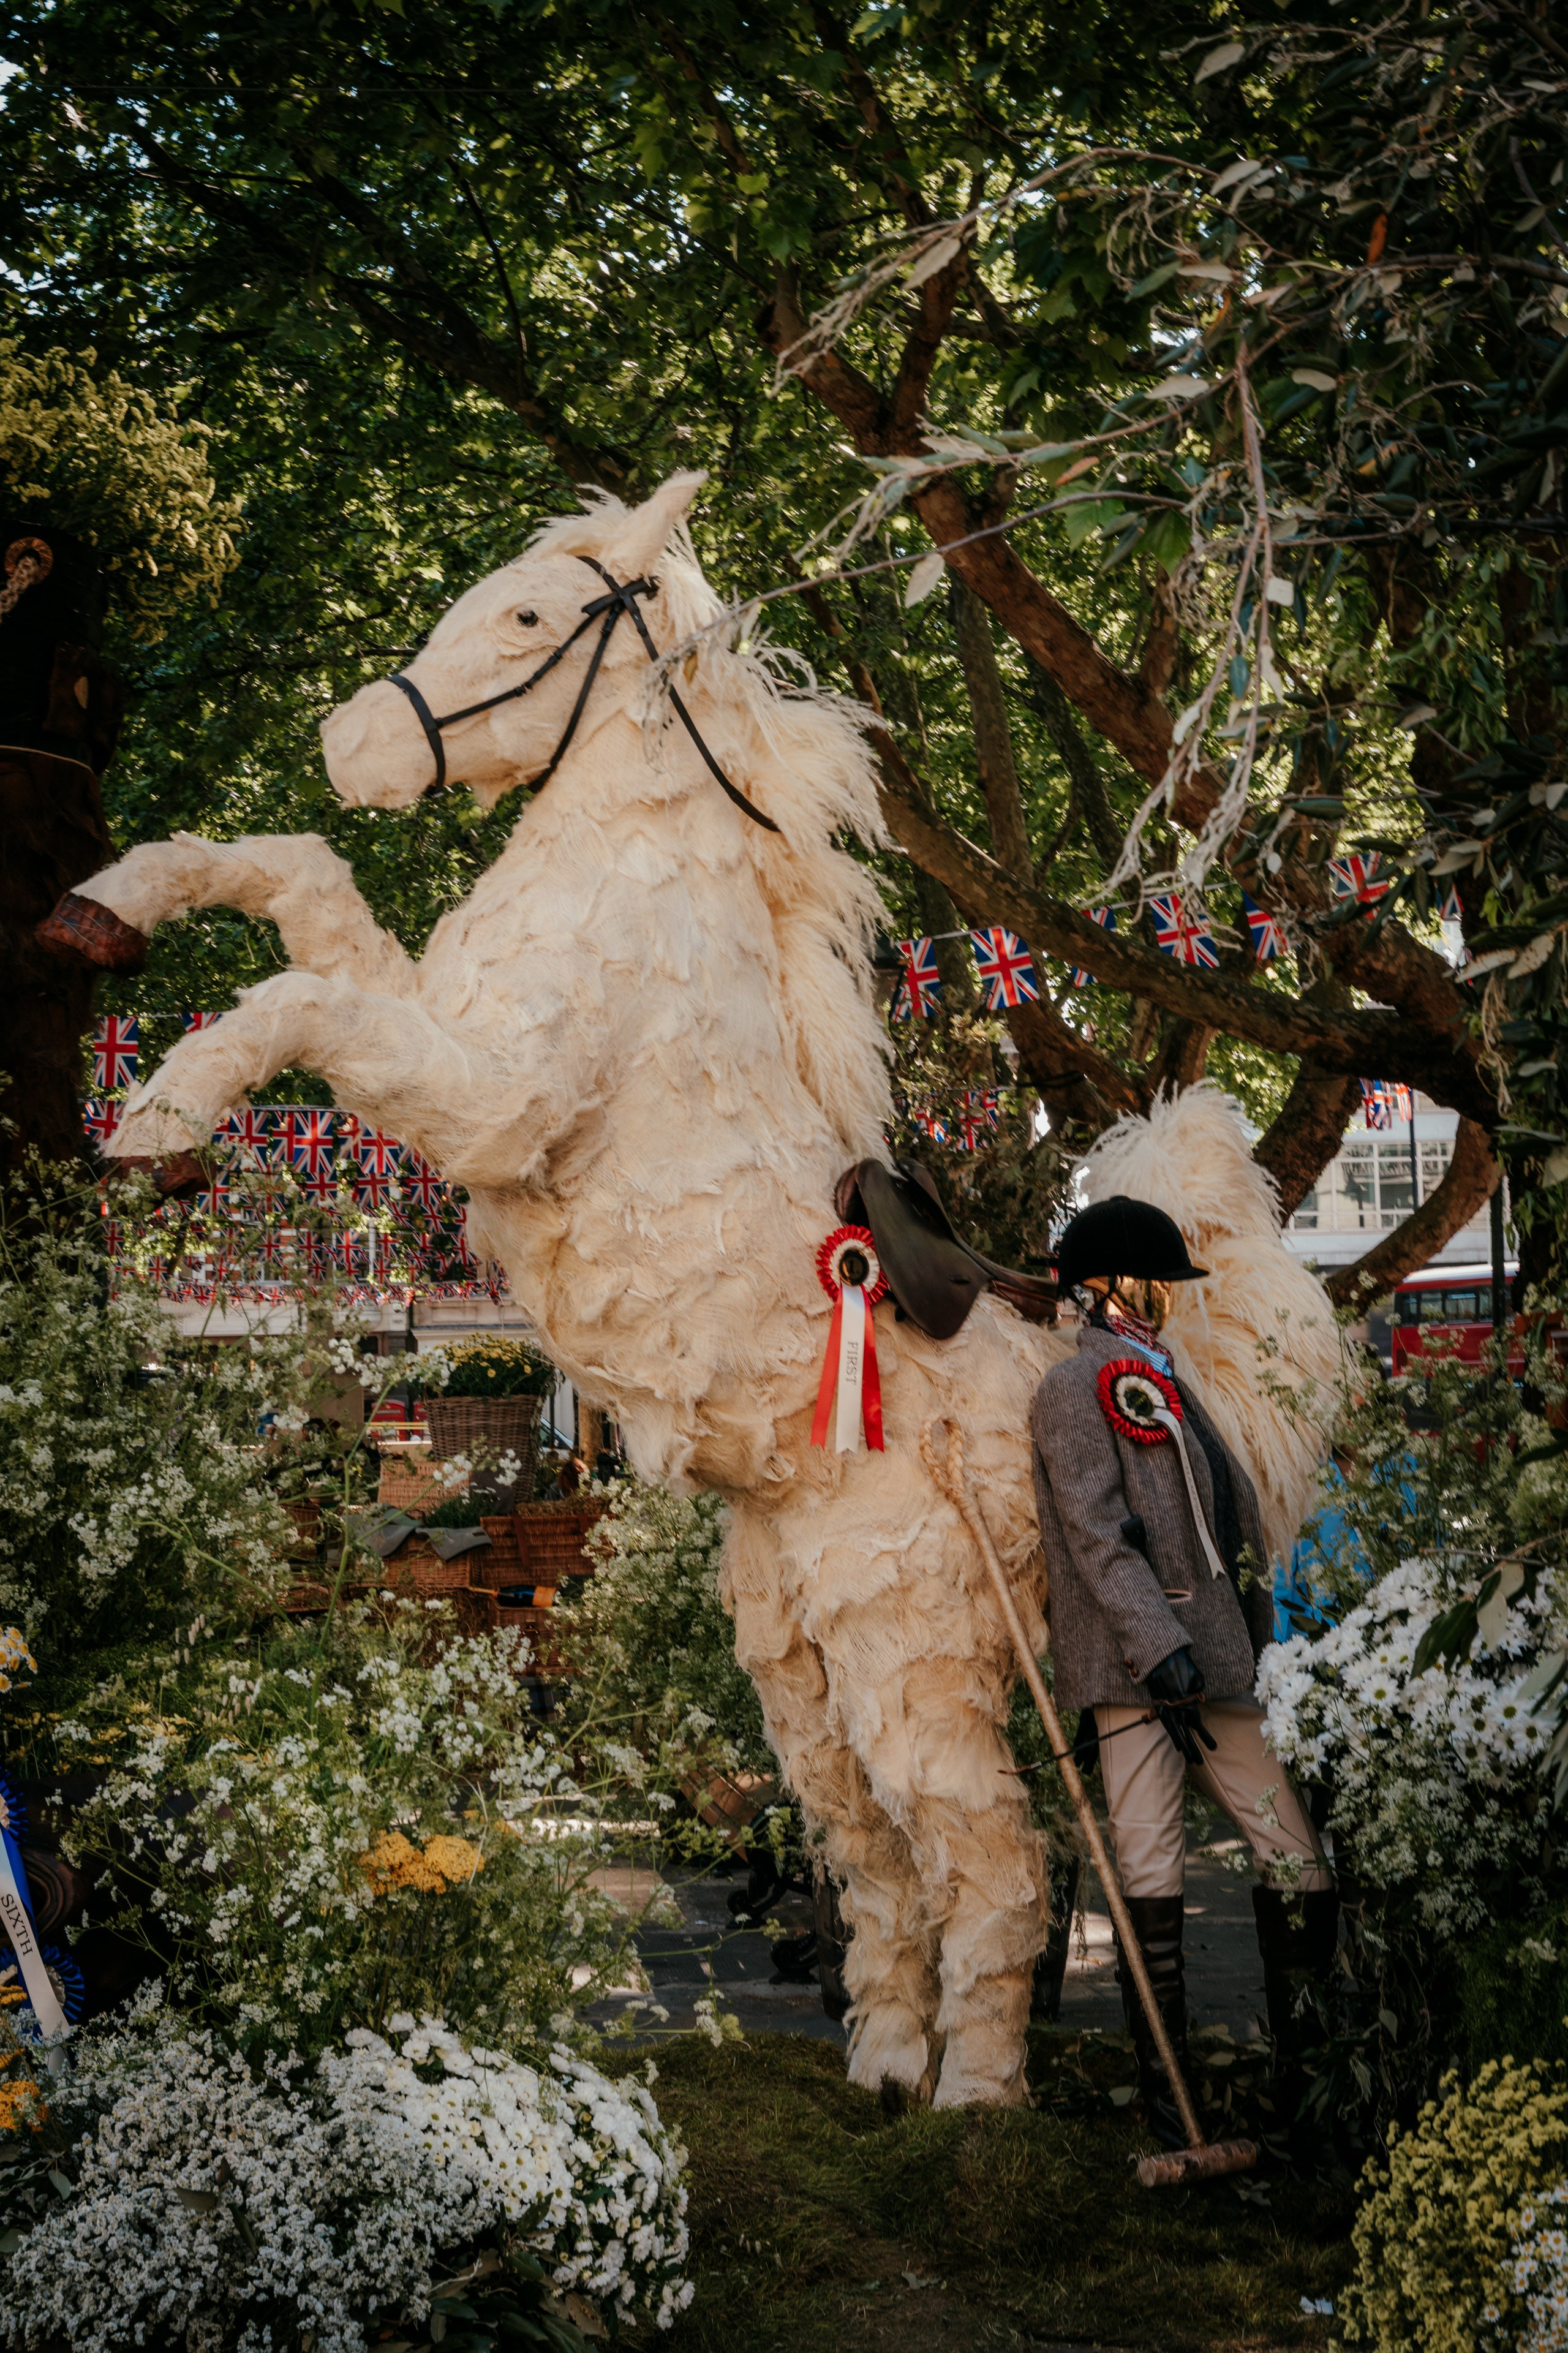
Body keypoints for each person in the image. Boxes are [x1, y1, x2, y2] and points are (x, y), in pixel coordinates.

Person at [1030, 1193, 1338, 2146]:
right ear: (1113, 1284)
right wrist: (1156, 1649)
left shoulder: (1165, 1376)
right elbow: (1093, 1535)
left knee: (1295, 1851)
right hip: (1134, 1672)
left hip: (1222, 1664)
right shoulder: (1073, 1389)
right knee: (1152, 1865)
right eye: (1157, 1279)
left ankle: (1311, 2093)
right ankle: (1174, 2115)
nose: (1170, 1294)